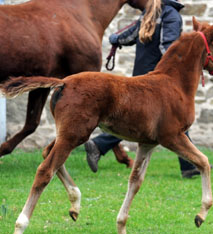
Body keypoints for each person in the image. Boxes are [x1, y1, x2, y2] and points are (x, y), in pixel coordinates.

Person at [85, 0, 200, 178]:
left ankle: (190, 166)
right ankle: (100, 144)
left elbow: (131, 36)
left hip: (141, 75)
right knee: (166, 120)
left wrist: (116, 39)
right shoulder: (171, 15)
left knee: (163, 120)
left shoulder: (150, 12)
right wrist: (180, 68)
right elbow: (167, 47)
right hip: (157, 82)